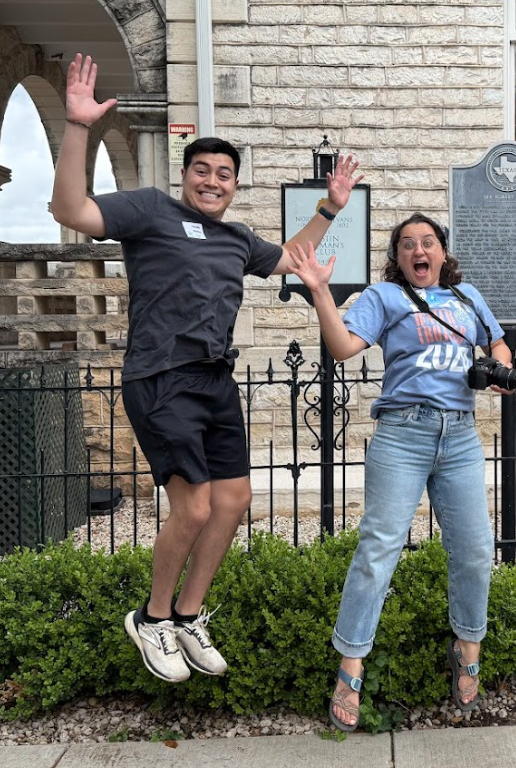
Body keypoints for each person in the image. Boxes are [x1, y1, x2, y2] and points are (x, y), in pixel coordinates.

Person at [50, 54, 364, 683]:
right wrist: (79, 125)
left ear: (235, 185)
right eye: (202, 171)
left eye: (224, 174)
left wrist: (330, 208)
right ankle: (153, 618)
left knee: (233, 501)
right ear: (185, 175)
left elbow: (292, 258)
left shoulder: (237, 239)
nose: (212, 181)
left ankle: (189, 616)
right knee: (192, 508)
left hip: (215, 380)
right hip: (161, 377)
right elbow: (70, 210)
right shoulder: (150, 211)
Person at [287, 212, 514, 731]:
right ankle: (350, 664)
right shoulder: (384, 297)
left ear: (442, 252)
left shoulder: (467, 296)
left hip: (460, 436)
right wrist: (320, 292)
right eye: (408, 244)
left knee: (475, 548)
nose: (419, 250)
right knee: (378, 549)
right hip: (403, 433)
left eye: (428, 242)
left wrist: (498, 367)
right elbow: (342, 348)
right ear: (399, 257)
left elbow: (496, 340)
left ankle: (468, 646)